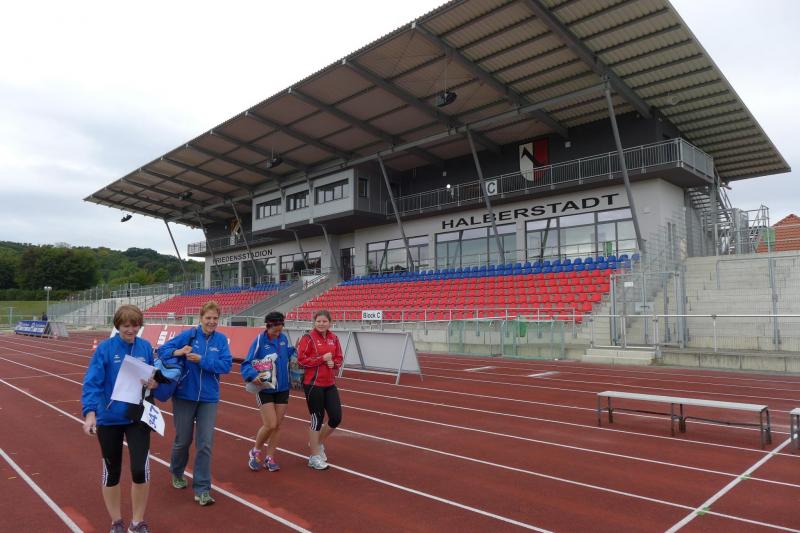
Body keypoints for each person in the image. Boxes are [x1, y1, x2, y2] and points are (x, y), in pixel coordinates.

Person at [81, 305, 157, 533]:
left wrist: (154, 382)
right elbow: (92, 382)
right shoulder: (105, 349)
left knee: (140, 470)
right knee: (112, 472)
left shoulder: (145, 347)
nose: (131, 330)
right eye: (126, 326)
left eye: (135, 325)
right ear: (118, 326)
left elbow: (152, 377)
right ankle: (116, 522)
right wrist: (90, 413)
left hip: (137, 418)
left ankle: (137, 522)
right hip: (110, 419)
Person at [157, 301, 232, 506]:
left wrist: (202, 360)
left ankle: (202, 489)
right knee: (183, 440)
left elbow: (226, 365)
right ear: (200, 318)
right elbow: (162, 350)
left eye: (215, 318)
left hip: (209, 398)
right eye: (208, 318)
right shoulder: (188, 335)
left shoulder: (221, 340)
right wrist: (179, 352)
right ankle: (177, 471)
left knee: (205, 444)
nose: (211, 322)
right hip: (184, 395)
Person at [240, 311, 295, 472]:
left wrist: (293, 350)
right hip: (265, 388)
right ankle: (255, 451)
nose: (278, 333)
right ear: (268, 326)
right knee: (270, 424)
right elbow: (246, 363)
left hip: (283, 388)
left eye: (281, 329)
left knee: (277, 425)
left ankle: (270, 458)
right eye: (275, 330)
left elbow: (282, 356)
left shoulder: (283, 339)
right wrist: (252, 375)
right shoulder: (259, 340)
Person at [296, 309, 343, 470]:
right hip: (313, 384)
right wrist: (321, 359)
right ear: (314, 322)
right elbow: (301, 361)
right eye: (318, 321)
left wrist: (334, 363)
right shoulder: (308, 338)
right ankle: (314, 457)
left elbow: (339, 358)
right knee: (317, 418)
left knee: (336, 417)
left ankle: (316, 442)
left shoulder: (334, 338)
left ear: (330, 323)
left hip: (329, 383)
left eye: (324, 321)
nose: (321, 324)